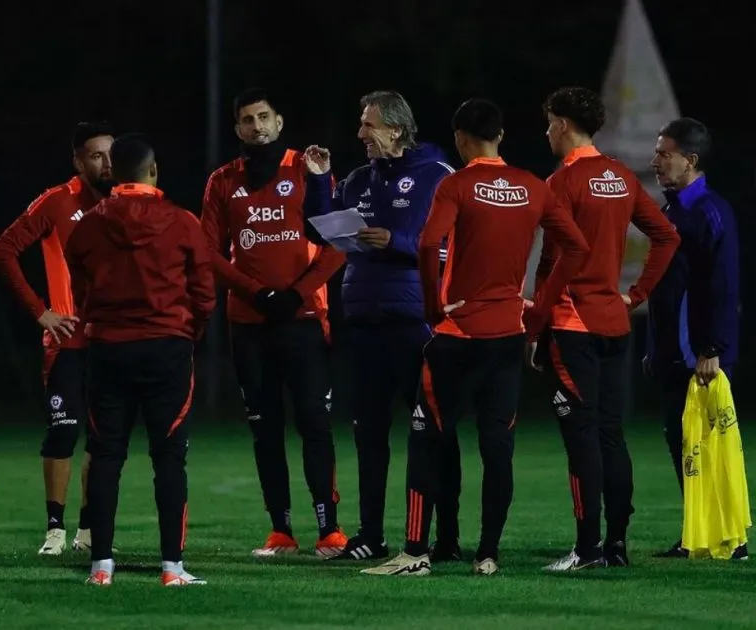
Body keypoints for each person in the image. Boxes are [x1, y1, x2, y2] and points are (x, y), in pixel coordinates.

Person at [363, 98, 589, 577]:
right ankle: (487, 554)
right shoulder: (532, 186)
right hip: (507, 333)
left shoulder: (457, 183)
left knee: (426, 438)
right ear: (501, 136)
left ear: (462, 139)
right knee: (497, 446)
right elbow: (576, 247)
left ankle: (415, 553)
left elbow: (428, 244)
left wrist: (431, 307)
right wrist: (540, 307)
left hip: (458, 334)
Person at [303, 90, 462, 562]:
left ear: (395, 128)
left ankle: (447, 537)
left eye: (368, 124)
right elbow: (319, 229)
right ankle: (371, 535)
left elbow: (452, 245)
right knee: (368, 435)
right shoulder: (356, 180)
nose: (360, 133)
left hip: (417, 325)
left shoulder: (437, 176)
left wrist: (397, 241)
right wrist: (317, 181)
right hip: (365, 323)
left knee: (434, 433)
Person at [533, 87, 681, 571]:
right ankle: (616, 546)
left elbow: (553, 260)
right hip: (616, 325)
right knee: (612, 436)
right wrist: (634, 296)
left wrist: (536, 324)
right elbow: (666, 235)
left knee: (583, 436)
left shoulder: (562, 182)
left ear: (562, 124)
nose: (547, 130)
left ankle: (587, 548)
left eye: (550, 122)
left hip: (573, 324)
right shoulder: (619, 176)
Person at [200, 87, 347, 558]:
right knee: (265, 428)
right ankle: (280, 530)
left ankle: (330, 530)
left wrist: (298, 294)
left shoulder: (308, 167)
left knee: (314, 424)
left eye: (264, 117)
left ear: (279, 122)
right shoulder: (222, 181)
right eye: (247, 120)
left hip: (302, 320)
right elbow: (208, 253)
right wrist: (256, 292)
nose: (256, 126)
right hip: (248, 323)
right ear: (237, 129)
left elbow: (338, 243)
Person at [66, 134, 216, 587]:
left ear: (113, 173)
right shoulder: (182, 222)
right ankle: (171, 567)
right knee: (169, 457)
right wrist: (189, 331)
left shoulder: (89, 224)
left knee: (107, 454)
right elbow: (205, 294)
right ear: (153, 172)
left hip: (109, 349)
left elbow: (80, 288)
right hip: (166, 348)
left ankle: (101, 567)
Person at [0, 122, 115, 555]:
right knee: (63, 433)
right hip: (66, 343)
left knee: (103, 440)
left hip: (110, 341)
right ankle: (55, 528)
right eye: (96, 155)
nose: (106, 163)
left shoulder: (125, 202)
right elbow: (3, 251)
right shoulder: (57, 201)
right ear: (78, 161)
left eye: (110, 154)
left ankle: (86, 530)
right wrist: (41, 312)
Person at [644, 118, 745, 560]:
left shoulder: (709, 211)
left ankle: (728, 539)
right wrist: (654, 346)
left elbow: (723, 288)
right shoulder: (672, 210)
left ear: (691, 160)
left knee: (706, 446)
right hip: (675, 352)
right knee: (682, 443)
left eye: (665, 153)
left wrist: (712, 350)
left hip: (698, 356)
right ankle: (699, 535)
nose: (656, 161)